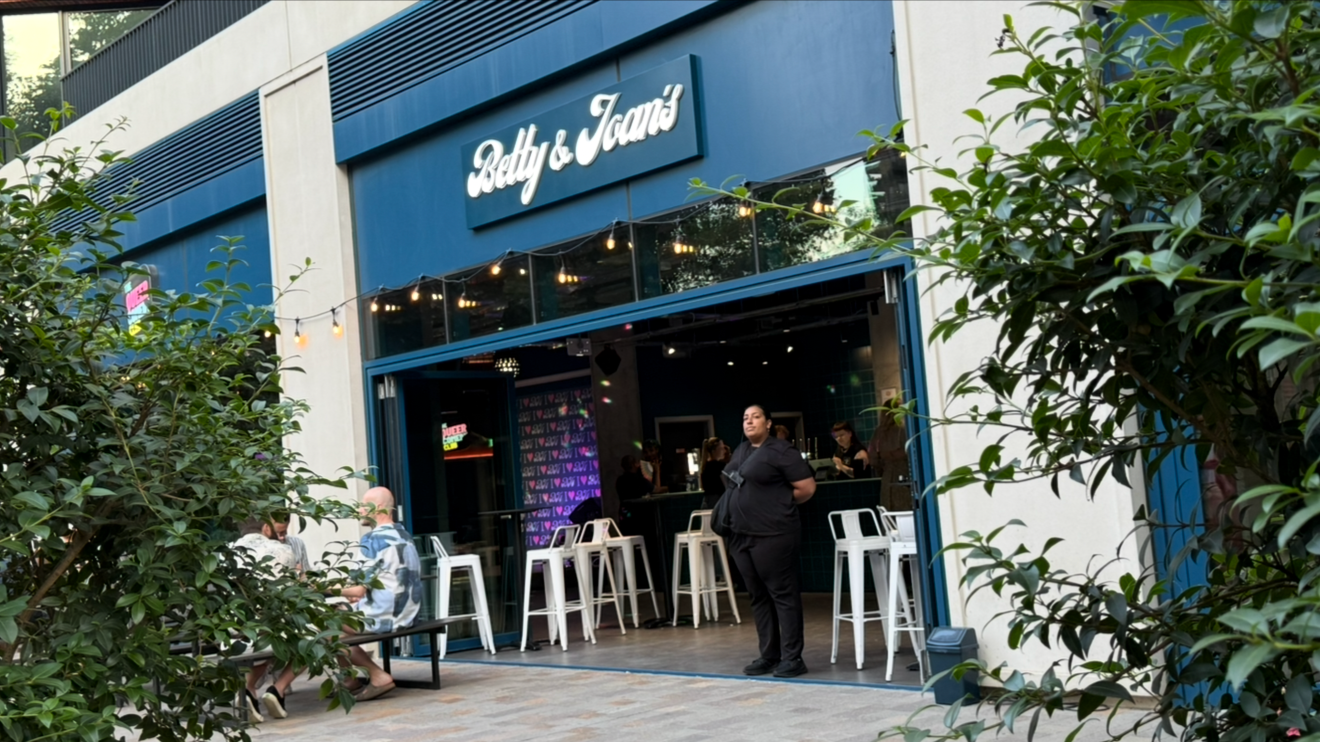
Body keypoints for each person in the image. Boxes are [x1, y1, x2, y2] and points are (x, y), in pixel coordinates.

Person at [724, 405, 816, 679]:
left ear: (768, 423)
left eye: (755, 417)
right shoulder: (741, 451)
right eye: (745, 418)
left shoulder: (781, 451)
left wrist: (777, 505)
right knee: (758, 596)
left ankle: (792, 657)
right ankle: (769, 654)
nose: (749, 421)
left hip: (774, 533)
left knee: (782, 595)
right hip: (741, 534)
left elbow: (807, 488)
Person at [327, 487, 423, 704]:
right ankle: (349, 681)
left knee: (326, 621)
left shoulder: (372, 540)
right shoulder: (404, 535)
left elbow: (357, 589)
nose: (359, 509)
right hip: (408, 616)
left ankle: (376, 676)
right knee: (339, 622)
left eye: (363, 504)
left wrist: (320, 588)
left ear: (377, 507)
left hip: (383, 617)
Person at [231, 516, 297, 722]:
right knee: (313, 636)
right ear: (266, 528)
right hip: (272, 628)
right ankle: (278, 689)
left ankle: (248, 691)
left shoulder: (225, 553)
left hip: (231, 632)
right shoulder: (283, 550)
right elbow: (293, 590)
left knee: (267, 636)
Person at [699, 437, 730, 509]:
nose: (724, 451)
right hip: (717, 501)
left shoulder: (705, 465)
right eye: (721, 448)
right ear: (714, 450)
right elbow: (727, 485)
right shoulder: (718, 466)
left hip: (707, 501)